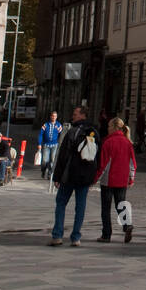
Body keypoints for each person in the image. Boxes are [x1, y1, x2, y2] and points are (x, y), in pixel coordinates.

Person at [49, 106, 98, 247]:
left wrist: (57, 176)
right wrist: (93, 176)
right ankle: (76, 237)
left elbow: (63, 156)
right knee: (80, 207)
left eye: (75, 114)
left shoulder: (72, 132)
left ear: (83, 115)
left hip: (70, 175)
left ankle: (57, 235)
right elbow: (97, 157)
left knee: (61, 203)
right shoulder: (94, 132)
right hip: (85, 176)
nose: (73, 116)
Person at [94, 118, 136, 243]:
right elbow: (132, 163)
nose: (107, 128)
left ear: (114, 127)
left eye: (109, 126)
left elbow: (104, 164)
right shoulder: (128, 143)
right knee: (121, 204)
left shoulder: (108, 142)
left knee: (105, 208)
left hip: (109, 179)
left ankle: (106, 234)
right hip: (122, 179)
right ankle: (127, 225)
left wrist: (95, 179)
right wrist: (131, 178)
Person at [38, 111, 63, 180]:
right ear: (50, 116)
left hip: (55, 145)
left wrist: (60, 143)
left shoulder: (58, 125)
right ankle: (43, 171)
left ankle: (50, 174)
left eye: (55, 116)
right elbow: (40, 134)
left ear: (56, 117)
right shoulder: (45, 125)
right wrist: (39, 143)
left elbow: (61, 135)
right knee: (45, 160)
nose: (53, 117)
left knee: (52, 160)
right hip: (46, 145)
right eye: (52, 116)